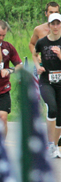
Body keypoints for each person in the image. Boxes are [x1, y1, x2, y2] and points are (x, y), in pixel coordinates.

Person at [35, 12, 61, 158]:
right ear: (49, 25)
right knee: (52, 108)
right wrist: (38, 65)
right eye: (53, 23)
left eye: (58, 23)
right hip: (47, 81)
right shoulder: (42, 42)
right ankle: (50, 143)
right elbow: (34, 54)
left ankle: (55, 146)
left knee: (60, 116)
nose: (56, 26)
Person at [0, 20, 22, 139]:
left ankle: (1, 147)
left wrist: (9, 70)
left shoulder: (8, 47)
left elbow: (19, 65)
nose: (1, 38)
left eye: (3, 35)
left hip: (3, 89)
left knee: (2, 118)